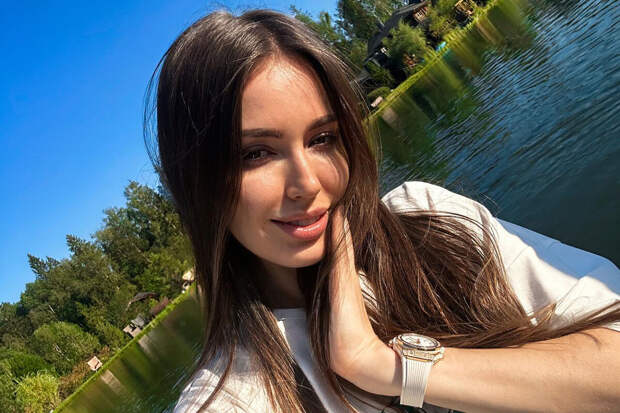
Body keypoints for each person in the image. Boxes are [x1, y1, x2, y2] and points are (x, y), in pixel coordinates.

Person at [144, 9, 620, 413]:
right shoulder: (230, 400)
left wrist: (381, 366)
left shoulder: (431, 220)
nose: (308, 183)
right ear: (195, 185)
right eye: (256, 154)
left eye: (322, 139)